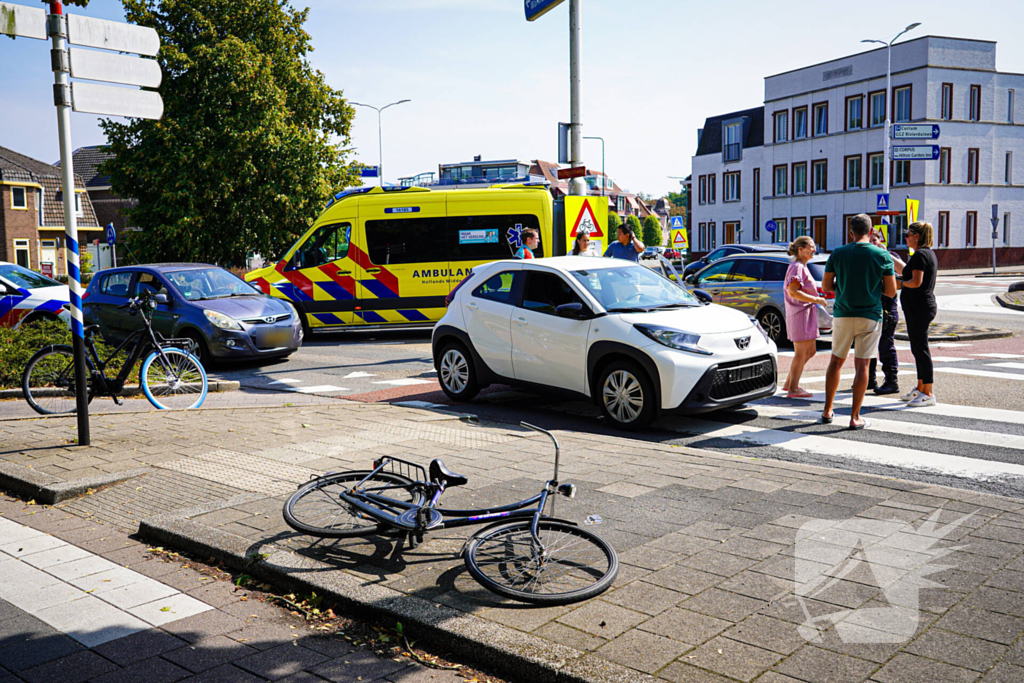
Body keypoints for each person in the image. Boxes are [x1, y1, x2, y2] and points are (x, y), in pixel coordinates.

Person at [820, 214, 898, 429]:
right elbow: (891, 291)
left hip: (843, 314)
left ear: (850, 233)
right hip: (870, 315)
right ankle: (855, 417)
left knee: (836, 361)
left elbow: (826, 286)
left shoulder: (838, 253)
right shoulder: (881, 254)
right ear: (871, 232)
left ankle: (827, 410)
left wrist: (844, 288)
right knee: (863, 364)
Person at [894, 221, 939, 407]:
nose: (905, 237)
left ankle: (928, 393)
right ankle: (920, 388)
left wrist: (900, 284)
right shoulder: (924, 254)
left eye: (908, 234)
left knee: (921, 349)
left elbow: (915, 282)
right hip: (919, 307)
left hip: (920, 307)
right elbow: (906, 272)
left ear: (917, 236)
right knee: (917, 348)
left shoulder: (921, 255)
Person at [781, 236, 827, 398]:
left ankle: (789, 383)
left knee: (810, 351)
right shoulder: (797, 267)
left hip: (805, 314)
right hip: (799, 313)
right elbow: (793, 292)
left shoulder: (801, 266)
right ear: (801, 249)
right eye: (811, 246)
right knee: (801, 353)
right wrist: (816, 299)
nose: (815, 249)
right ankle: (793, 389)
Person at [868, 228, 904, 395]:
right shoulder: (865, 257)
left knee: (885, 345)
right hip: (869, 307)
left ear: (880, 241)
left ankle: (891, 381)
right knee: (867, 345)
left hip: (887, 308)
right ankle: (869, 379)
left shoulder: (890, 256)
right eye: (869, 241)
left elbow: (903, 275)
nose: (872, 244)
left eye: (874, 240)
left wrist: (886, 255)